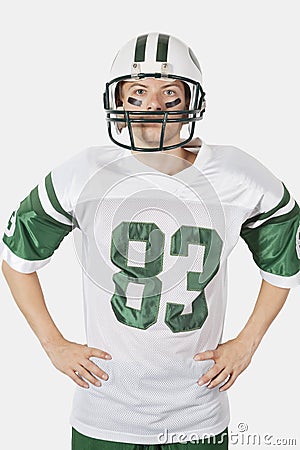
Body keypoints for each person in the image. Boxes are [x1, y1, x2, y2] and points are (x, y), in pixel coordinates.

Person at [1, 32, 299, 450]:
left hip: (199, 409)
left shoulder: (237, 175)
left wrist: (247, 342)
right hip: (106, 411)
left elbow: (283, 263)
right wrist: (54, 345)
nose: (153, 107)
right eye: (138, 92)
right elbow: (17, 259)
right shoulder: (83, 173)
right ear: (118, 99)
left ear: (191, 101)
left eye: (170, 94)